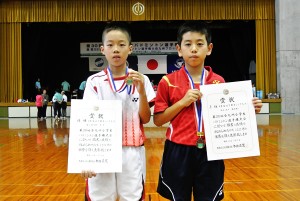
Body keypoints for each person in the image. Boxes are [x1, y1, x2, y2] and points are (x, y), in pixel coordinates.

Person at [153, 21, 263, 201]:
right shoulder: (168, 81)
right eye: (188, 44)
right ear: (179, 49)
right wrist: (182, 102)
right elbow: (158, 120)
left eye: (199, 43)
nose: (194, 49)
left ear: (209, 48)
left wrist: (249, 109)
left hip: (212, 150)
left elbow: (229, 115)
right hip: (178, 150)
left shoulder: (219, 81)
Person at [81, 22, 156, 201]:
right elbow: (87, 121)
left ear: (130, 49)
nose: (116, 49)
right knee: (100, 197)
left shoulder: (141, 79)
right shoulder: (94, 81)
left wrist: (142, 92)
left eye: (121, 45)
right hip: (101, 149)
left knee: (132, 197)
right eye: (110, 45)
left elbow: (145, 119)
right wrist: (86, 158)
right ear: (102, 49)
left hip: (131, 150)